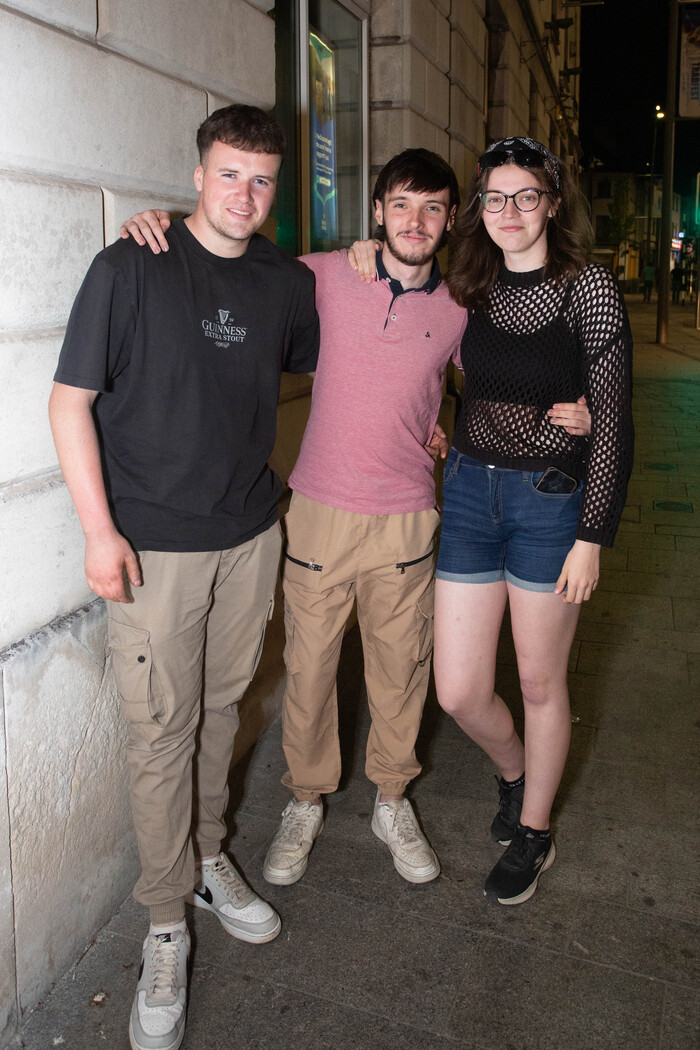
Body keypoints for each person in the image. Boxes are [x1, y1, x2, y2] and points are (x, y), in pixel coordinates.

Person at [120, 149, 590, 894]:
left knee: (401, 672)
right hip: (319, 511)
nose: (415, 221)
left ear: (450, 220)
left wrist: (579, 408)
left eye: (432, 208)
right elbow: (230, 261)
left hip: (406, 516)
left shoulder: (462, 304)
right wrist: (163, 226)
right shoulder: (322, 275)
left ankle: (392, 799)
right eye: (400, 204)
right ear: (376, 212)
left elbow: (505, 373)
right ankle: (305, 800)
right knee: (308, 670)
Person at [49, 104, 320, 1050]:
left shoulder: (286, 284)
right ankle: (165, 920)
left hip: (250, 534)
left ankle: (208, 859)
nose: (244, 193)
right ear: (198, 174)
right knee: (160, 730)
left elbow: (339, 357)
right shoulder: (131, 265)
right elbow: (69, 402)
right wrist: (99, 533)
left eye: (262, 179)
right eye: (228, 173)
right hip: (154, 546)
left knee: (222, 710)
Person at [432, 136, 634, 906]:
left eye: (526, 196)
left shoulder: (588, 287)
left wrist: (592, 537)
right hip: (469, 493)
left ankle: (535, 830)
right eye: (495, 197)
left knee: (540, 681)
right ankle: (515, 773)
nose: (509, 211)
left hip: (550, 501)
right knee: (458, 690)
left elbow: (614, 420)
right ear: (478, 208)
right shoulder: (467, 284)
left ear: (551, 203)